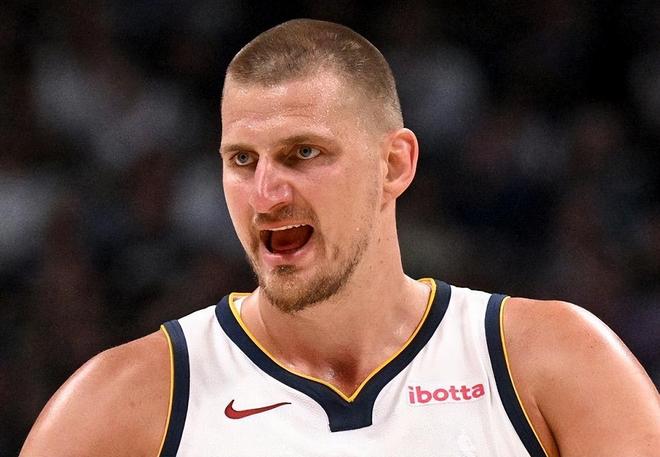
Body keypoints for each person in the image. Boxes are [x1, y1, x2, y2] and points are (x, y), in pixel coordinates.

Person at [21, 19, 659, 457]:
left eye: (303, 153)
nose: (266, 195)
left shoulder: (551, 363)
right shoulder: (125, 403)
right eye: (242, 160)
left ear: (394, 166)